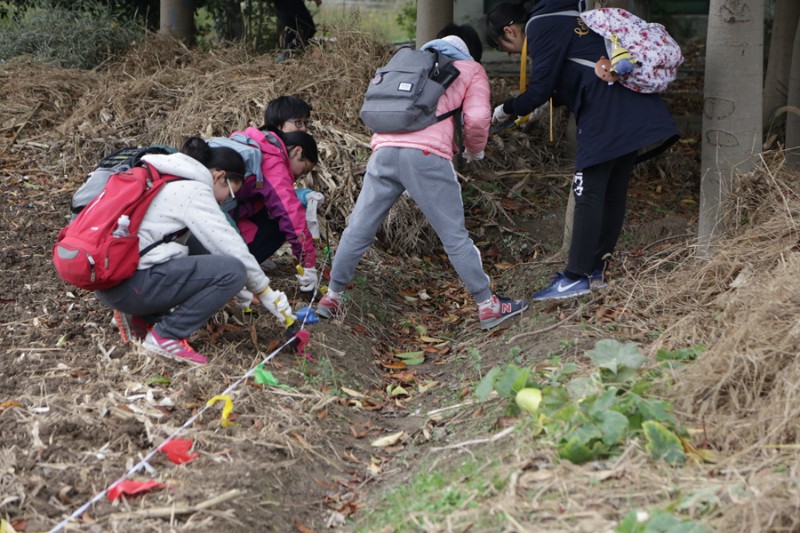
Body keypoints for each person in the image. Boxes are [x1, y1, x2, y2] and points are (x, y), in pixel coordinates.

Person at [316, 34, 528, 330]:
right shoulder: (470, 69)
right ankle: (487, 305)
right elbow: (478, 117)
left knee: (359, 227)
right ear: (468, 52)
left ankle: (332, 295)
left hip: (384, 152)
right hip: (427, 157)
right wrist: (474, 150)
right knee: (454, 235)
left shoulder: (410, 63)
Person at [485, 0, 679, 301]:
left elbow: (539, 88)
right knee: (613, 191)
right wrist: (542, 105)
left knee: (586, 189)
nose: (512, 54)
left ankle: (575, 277)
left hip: (605, 111)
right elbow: (573, 71)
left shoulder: (540, 25)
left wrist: (505, 110)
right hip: (630, 103)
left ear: (509, 31)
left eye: (504, 46)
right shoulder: (569, 17)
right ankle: (596, 272)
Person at [98, 138, 297, 365]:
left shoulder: (166, 176)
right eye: (230, 193)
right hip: (130, 288)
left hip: (111, 281)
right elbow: (231, 246)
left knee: (199, 247)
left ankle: (141, 320)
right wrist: (265, 292)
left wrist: (242, 291)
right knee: (233, 271)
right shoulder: (194, 190)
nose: (225, 201)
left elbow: (203, 251)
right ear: (220, 177)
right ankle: (167, 335)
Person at [229, 126, 321, 292]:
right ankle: (237, 270)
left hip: (221, 214)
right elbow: (291, 215)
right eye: (304, 170)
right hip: (222, 225)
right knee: (280, 225)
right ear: (297, 151)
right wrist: (308, 263)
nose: (299, 176)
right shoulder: (273, 163)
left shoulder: (258, 143)